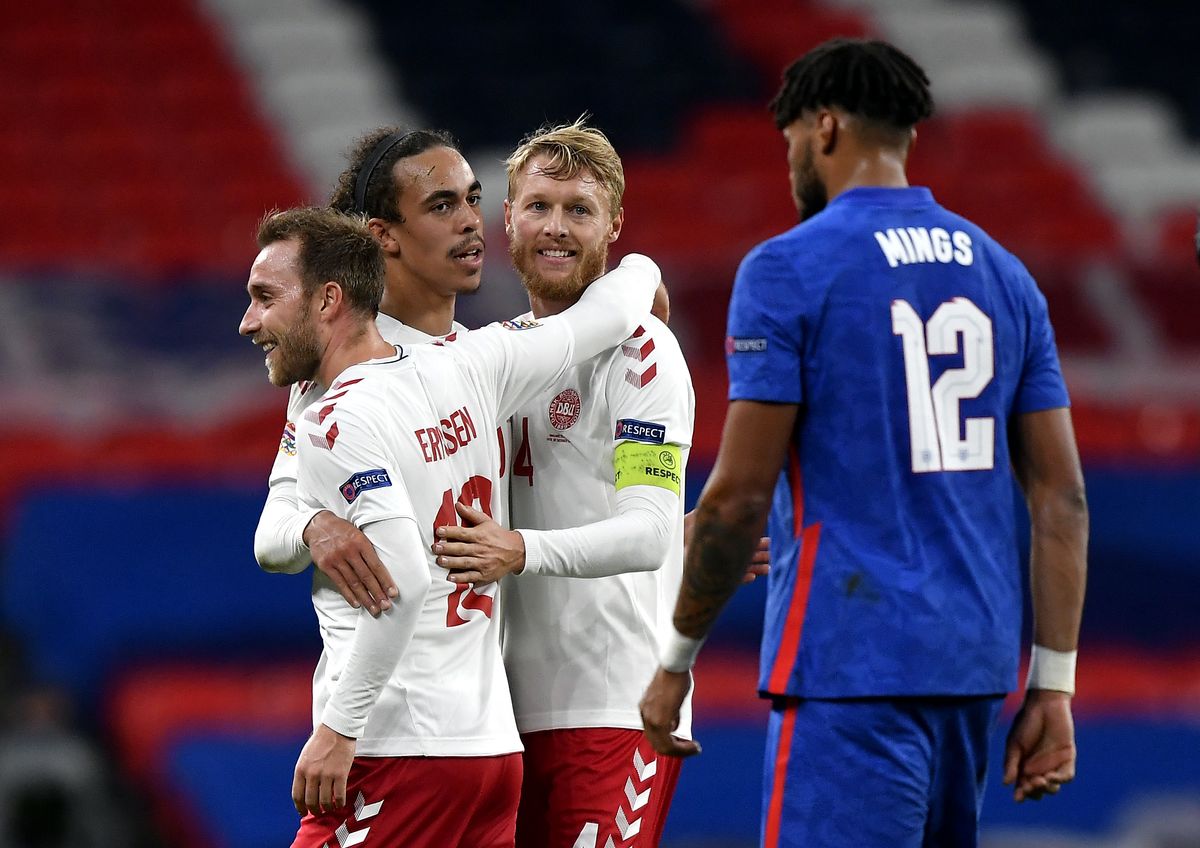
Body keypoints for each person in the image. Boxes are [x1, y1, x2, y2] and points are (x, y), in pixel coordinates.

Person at [639, 38, 1089, 848]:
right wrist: (1051, 686)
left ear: (824, 128)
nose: (789, 169)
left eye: (788, 147)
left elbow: (739, 498)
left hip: (847, 668)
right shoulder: (1005, 275)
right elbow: (1063, 498)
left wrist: (676, 659)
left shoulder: (789, 269)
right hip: (971, 672)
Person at [238, 206, 660, 846]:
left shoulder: (335, 418)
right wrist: (641, 269)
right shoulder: (467, 366)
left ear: (328, 300)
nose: (249, 321)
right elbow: (600, 319)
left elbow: (402, 575)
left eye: (265, 298)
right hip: (489, 752)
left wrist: (339, 729)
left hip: (396, 748)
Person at [431, 119, 696, 848]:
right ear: (506, 217)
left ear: (612, 223)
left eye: (578, 209)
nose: (556, 227)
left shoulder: (644, 354)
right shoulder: (495, 356)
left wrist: (518, 549)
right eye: (539, 206)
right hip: (498, 717)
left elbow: (646, 532)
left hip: (612, 707)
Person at [251, 128, 486, 614]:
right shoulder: (343, 368)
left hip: (486, 674)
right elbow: (272, 535)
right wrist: (312, 527)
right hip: (394, 671)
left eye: (473, 199)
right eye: (443, 206)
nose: (470, 222)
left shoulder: (486, 354)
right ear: (383, 234)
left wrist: (640, 277)